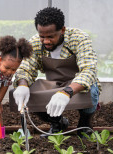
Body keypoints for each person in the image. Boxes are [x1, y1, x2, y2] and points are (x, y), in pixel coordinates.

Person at [9, 7, 101, 138]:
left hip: (76, 84)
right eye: (42, 36)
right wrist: (22, 85)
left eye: (51, 37)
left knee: (91, 90)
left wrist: (67, 92)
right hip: (54, 84)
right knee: (27, 94)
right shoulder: (34, 42)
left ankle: (84, 124)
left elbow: (89, 70)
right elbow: (26, 68)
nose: (46, 41)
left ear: (62, 30)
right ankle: (57, 123)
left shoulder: (79, 38)